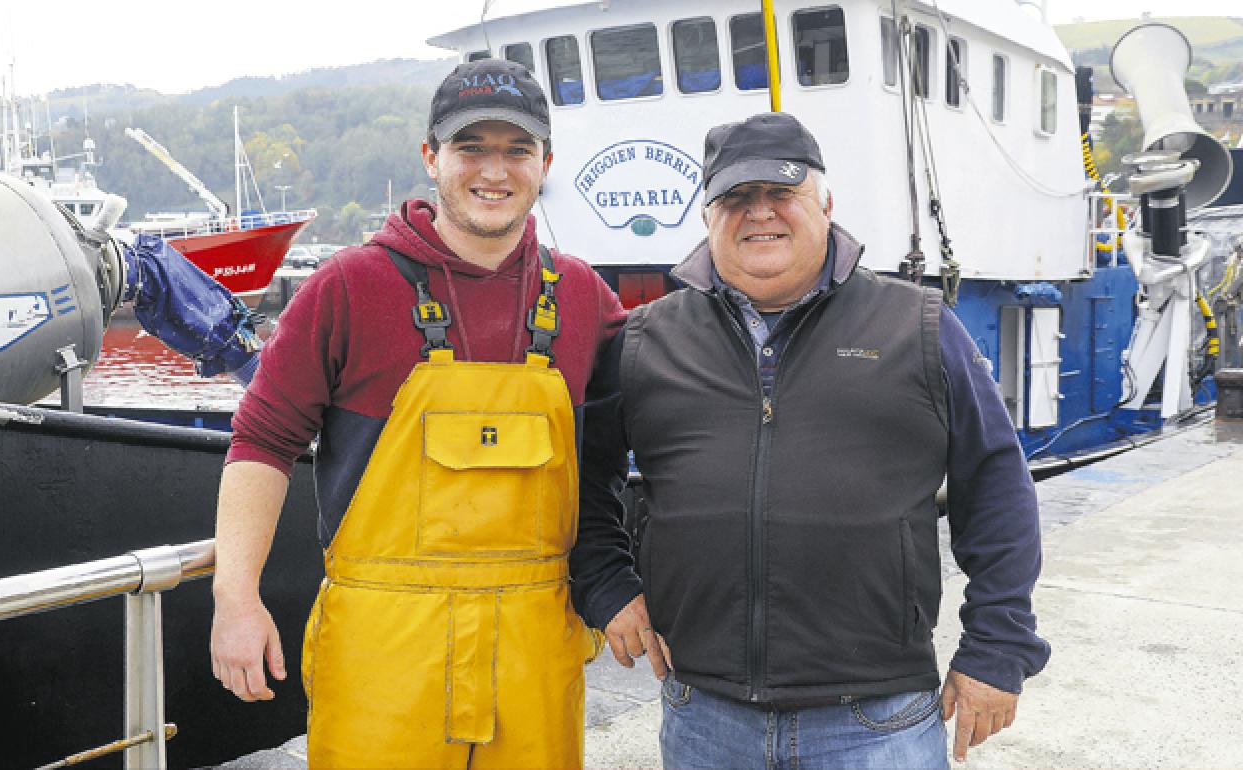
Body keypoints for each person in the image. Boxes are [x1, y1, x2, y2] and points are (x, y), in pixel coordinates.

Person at [571, 112, 1051, 769]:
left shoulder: (919, 325)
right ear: (708, 218)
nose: (759, 214)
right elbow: (584, 480)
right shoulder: (642, 340)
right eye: (736, 198)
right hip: (705, 715)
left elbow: (996, 485)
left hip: (878, 719)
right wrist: (607, 585)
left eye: (781, 195)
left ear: (826, 204)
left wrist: (998, 647)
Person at [209, 59, 626, 768]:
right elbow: (262, 440)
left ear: (545, 164)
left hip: (534, 652)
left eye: (517, 151)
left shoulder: (585, 299)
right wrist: (235, 598)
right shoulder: (347, 286)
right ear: (431, 158)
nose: (494, 171)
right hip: (383, 656)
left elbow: (653, 434)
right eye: (471, 148)